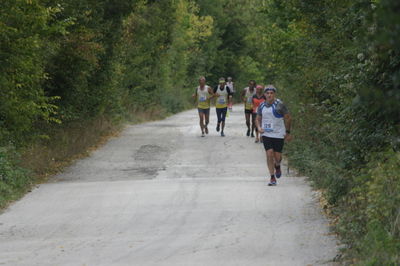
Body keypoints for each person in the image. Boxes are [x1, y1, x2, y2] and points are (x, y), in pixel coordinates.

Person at [256, 85, 292, 186]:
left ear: (274, 94)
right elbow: (258, 118)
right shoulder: (261, 105)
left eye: (271, 93)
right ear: (264, 94)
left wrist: (288, 132)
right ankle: (272, 177)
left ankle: (277, 165)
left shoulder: (279, 105)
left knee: (277, 157)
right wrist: (259, 128)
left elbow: (288, 118)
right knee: (269, 153)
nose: (269, 95)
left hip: (279, 134)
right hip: (266, 134)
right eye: (267, 93)